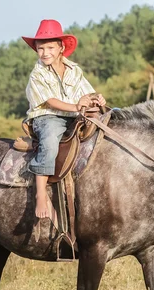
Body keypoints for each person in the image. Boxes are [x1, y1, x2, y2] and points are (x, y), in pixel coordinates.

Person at [22, 19, 106, 219]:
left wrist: (96, 99)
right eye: (40, 48)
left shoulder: (74, 70)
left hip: (73, 116)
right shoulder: (38, 74)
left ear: (61, 47)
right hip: (47, 117)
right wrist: (76, 106)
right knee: (50, 142)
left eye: (50, 47)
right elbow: (50, 101)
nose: (45, 53)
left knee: (107, 125)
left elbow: (87, 92)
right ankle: (41, 194)